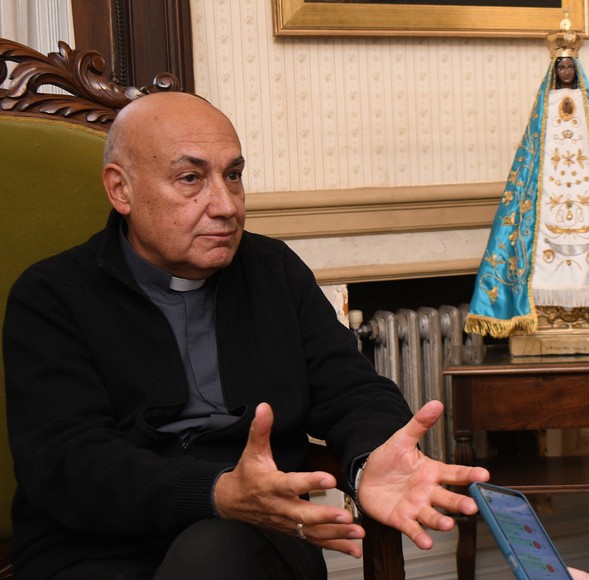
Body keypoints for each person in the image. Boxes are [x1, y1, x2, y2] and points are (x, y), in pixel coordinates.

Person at [2, 91, 490, 579]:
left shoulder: (273, 270)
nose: (225, 205)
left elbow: (352, 389)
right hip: (97, 548)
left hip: (253, 540)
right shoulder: (52, 295)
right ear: (121, 189)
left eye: (233, 175)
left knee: (217, 554)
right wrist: (216, 491)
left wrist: (370, 459)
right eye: (191, 178)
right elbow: (66, 460)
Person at [465, 40, 589, 341]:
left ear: (576, 70)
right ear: (554, 71)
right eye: (561, 67)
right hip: (549, 195)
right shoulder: (546, 106)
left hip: (584, 193)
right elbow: (535, 151)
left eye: (570, 67)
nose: (566, 71)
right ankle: (543, 315)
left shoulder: (586, 104)